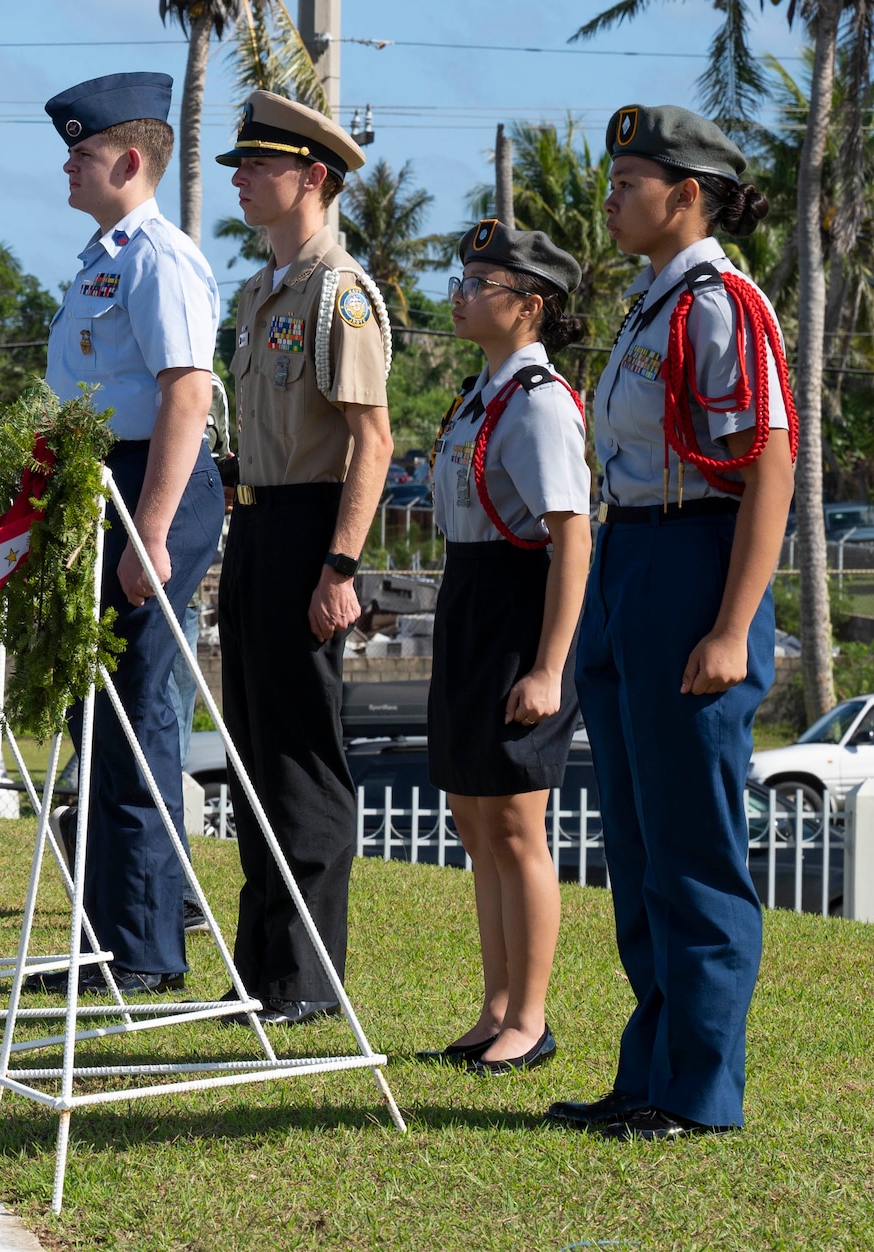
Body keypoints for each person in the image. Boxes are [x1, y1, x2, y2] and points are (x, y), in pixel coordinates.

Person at [548, 105, 792, 1139]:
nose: (609, 199)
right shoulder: (655, 302)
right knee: (640, 840)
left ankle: (696, 1090)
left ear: (684, 194)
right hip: (632, 553)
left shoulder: (716, 303)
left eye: (627, 183)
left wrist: (731, 625)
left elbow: (768, 464)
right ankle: (645, 1072)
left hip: (694, 558)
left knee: (692, 843)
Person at [30, 71, 225, 996]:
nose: (68, 163)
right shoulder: (99, 257)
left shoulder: (160, 256)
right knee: (95, 717)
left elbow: (186, 392)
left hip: (155, 489)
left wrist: (150, 529)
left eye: (83, 149)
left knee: (140, 715)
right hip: (100, 486)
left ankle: (145, 947)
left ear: (132, 159)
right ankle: (104, 935)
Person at [219, 90, 393, 1023]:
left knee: (303, 757)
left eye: (258, 166)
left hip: (310, 529)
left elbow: (373, 438)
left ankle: (306, 980)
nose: (241, 180)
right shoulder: (260, 291)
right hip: (256, 522)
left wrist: (341, 567)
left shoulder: (339, 293)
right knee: (254, 753)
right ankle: (260, 970)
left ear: (312, 178)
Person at [415, 221, 592, 1075]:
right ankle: (494, 1005)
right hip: (469, 599)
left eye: (481, 282)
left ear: (531, 306)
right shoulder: (480, 395)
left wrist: (550, 667)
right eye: (463, 278)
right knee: (475, 817)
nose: (461, 293)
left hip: (519, 610)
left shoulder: (539, 402)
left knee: (519, 823)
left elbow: (571, 537)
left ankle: (531, 1015)